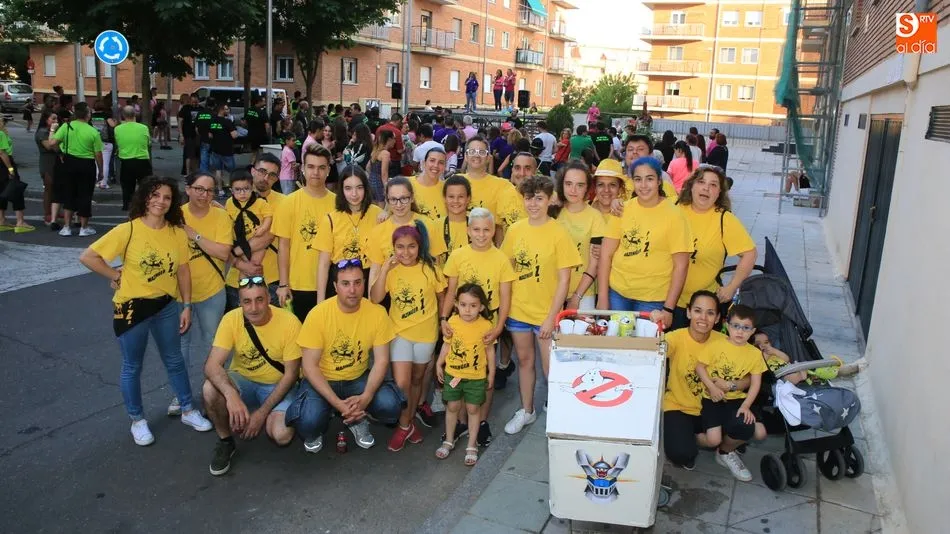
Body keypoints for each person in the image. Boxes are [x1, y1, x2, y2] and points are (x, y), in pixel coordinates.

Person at [79, 177, 212, 446]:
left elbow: (183, 271)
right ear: (145, 198)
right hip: (132, 308)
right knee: (132, 366)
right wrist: (114, 276)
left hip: (165, 306)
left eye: (166, 197)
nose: (160, 201)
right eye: (155, 195)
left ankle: (188, 409)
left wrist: (186, 305)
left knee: (174, 360)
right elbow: (89, 257)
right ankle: (137, 420)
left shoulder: (176, 233)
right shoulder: (127, 230)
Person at [285, 259, 405, 453]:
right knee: (308, 423)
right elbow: (309, 367)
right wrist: (338, 404)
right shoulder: (318, 314)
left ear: (364, 284)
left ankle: (357, 418)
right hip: (323, 379)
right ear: (335, 286)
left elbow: (382, 361)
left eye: (358, 282)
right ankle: (332, 416)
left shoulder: (377, 312)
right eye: (345, 283)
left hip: (357, 377)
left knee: (390, 406)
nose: (352, 290)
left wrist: (366, 397)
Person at [502, 176, 581, 434]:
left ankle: (560, 416)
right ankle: (527, 410)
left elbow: (564, 280)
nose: (533, 204)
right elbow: (507, 269)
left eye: (539, 198)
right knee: (524, 361)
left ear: (549, 200)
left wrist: (551, 317)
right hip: (518, 310)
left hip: (545, 313)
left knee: (551, 369)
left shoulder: (559, 232)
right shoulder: (515, 230)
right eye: (529, 198)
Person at [202, 277, 302, 475]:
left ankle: (254, 412)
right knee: (209, 389)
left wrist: (261, 414)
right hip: (244, 380)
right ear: (240, 303)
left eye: (259, 299)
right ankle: (226, 441)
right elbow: (212, 365)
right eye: (247, 301)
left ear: (269, 298)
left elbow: (290, 376)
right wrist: (231, 396)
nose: (254, 307)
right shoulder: (231, 319)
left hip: (278, 384)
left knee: (282, 435)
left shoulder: (290, 322)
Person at [442, 205, 515, 444]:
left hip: (488, 324)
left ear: (494, 230)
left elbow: (505, 297)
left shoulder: (501, 259)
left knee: (484, 373)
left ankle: (481, 420)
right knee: (461, 369)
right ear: (468, 230)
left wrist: (498, 327)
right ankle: (463, 421)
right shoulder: (458, 256)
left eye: (486, 229)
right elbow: (451, 290)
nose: (481, 234)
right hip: (460, 323)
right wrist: (444, 320)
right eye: (476, 229)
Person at [370, 222, 446, 451]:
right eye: (400, 247)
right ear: (393, 248)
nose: (406, 252)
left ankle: (407, 422)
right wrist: (383, 270)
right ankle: (405, 426)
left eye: (411, 246)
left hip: (426, 334)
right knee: (402, 383)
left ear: (419, 246)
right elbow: (375, 298)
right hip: (400, 333)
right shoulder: (392, 270)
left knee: (416, 380)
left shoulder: (430, 269)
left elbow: (442, 297)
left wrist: (443, 321)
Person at [664, 290, 759, 470]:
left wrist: (731, 385)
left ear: (717, 318)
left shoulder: (727, 341)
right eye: (698, 311)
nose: (703, 318)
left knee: (747, 427)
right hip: (679, 406)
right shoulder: (675, 337)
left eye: (710, 313)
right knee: (681, 454)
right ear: (688, 312)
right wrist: (655, 325)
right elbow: (652, 348)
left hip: (715, 407)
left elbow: (749, 378)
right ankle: (690, 439)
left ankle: (724, 450)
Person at [597, 157, 691, 329]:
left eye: (649, 179)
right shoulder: (622, 209)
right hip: (618, 293)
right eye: (638, 179)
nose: (644, 185)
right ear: (632, 182)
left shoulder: (675, 215)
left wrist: (668, 308)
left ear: (659, 181)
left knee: (644, 351)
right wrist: (603, 296)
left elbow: (681, 266)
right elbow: (606, 254)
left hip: (653, 298)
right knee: (618, 347)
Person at [174, 172, 233, 414]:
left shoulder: (220, 216)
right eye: (199, 189)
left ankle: (214, 392)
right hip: (177, 294)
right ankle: (181, 395)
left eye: (209, 191)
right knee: (179, 348)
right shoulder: (175, 215)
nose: (204, 195)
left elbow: (222, 252)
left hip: (211, 291)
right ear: (187, 189)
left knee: (214, 345)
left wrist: (194, 235)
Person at [672, 165, 756, 328]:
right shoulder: (674, 208)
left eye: (713, 185)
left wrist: (731, 287)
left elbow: (750, 254)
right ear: (691, 186)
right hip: (667, 300)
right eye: (701, 182)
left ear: (719, 192)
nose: (706, 188)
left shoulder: (724, 219)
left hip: (704, 307)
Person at [695, 304, 767, 481]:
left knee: (759, 432)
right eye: (736, 326)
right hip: (712, 398)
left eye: (746, 328)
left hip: (736, 399)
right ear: (727, 325)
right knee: (713, 438)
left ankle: (725, 451)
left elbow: (756, 384)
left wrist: (746, 405)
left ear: (753, 331)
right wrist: (712, 388)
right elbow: (700, 367)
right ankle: (694, 437)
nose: (740, 332)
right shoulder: (716, 345)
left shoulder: (754, 354)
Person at [274, 144, 338, 322]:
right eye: (310, 167)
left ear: (328, 170)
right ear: (302, 168)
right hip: (298, 283)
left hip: (331, 284)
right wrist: (283, 283)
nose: (315, 172)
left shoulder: (339, 204)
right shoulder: (289, 203)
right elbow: (283, 246)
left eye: (321, 167)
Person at [435, 283, 495, 465]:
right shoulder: (452, 322)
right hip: (453, 374)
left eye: (473, 305)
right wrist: (439, 363)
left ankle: (472, 444)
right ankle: (449, 439)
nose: (467, 310)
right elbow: (446, 345)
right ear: (456, 304)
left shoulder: (486, 325)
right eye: (463, 305)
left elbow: (490, 351)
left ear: (482, 307)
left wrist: (491, 373)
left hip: (476, 377)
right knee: (452, 407)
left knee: (473, 409)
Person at [224, 155, 285, 310]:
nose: (265, 178)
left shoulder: (283, 202)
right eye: (262, 171)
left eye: (272, 175)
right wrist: (240, 264)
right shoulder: (231, 202)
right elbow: (224, 239)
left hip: (270, 278)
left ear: (277, 179)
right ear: (252, 170)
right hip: (235, 278)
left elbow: (268, 236)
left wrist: (237, 251)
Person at [315, 165, 382, 303]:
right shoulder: (330, 219)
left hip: (369, 278)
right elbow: (323, 264)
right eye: (348, 188)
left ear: (366, 188)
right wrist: (320, 302)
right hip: (340, 280)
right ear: (341, 190)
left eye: (359, 187)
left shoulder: (378, 215)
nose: (354, 194)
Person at [365, 177, 447, 287]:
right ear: (387, 200)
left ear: (412, 198)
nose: (399, 205)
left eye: (404, 198)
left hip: (424, 293)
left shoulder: (428, 225)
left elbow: (435, 264)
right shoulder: (378, 231)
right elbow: (375, 270)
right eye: (393, 199)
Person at [555, 161, 605, 311]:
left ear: (587, 188)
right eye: (568, 183)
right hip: (551, 289)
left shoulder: (595, 217)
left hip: (583, 292)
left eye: (580, 185)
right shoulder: (553, 211)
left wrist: (577, 296)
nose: (573, 190)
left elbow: (594, 263)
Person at [49, 102, 103, 237]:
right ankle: (83, 228)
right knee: (85, 195)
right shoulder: (93, 131)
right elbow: (98, 154)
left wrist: (60, 153)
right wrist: (101, 170)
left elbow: (52, 143)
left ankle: (66, 227)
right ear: (87, 115)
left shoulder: (66, 127)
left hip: (69, 162)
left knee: (69, 194)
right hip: (86, 164)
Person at [460, 136, 520, 240]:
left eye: (482, 152)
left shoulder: (502, 186)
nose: (477, 155)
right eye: (472, 151)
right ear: (466, 156)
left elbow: (500, 226)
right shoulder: (454, 182)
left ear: (488, 158)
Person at [113, 106, 152, 212]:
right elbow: (148, 143)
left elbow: (117, 143)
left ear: (123, 116)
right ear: (135, 114)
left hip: (126, 161)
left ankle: (127, 205)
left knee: (127, 186)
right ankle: (145, 205)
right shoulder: (143, 128)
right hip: (142, 160)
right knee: (145, 186)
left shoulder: (117, 129)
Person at [0, 117, 31, 233]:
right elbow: (2, 153)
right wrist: (11, 169)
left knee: (1, 191)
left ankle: (1, 220)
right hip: (5, 164)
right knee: (16, 190)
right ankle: (20, 222)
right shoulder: (1, 134)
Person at [410, 146, 447, 220]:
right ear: (424, 163)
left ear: (444, 167)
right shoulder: (408, 184)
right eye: (432, 160)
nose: (436, 165)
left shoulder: (447, 188)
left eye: (441, 162)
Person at [35, 110, 59, 225]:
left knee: (56, 188)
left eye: (56, 119)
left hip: (56, 161)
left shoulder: (55, 131)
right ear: (46, 120)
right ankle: (47, 213)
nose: (56, 121)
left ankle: (56, 210)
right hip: (47, 161)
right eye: (53, 119)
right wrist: (53, 131)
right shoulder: (42, 132)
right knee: (48, 188)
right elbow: (50, 146)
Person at [209, 103, 239, 195]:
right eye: (225, 109)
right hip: (227, 150)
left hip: (215, 149)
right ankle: (233, 189)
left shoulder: (212, 122)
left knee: (218, 170)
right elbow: (234, 135)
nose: (227, 111)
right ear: (221, 110)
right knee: (232, 171)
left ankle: (220, 190)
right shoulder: (227, 122)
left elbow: (210, 135)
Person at [90, 101, 117, 189]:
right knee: (105, 163)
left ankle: (98, 182)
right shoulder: (106, 115)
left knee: (97, 163)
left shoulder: (91, 116)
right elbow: (112, 125)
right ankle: (103, 183)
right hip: (106, 141)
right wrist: (116, 122)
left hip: (94, 141)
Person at [368, 129, 395, 206]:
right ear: (389, 139)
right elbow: (384, 173)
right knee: (381, 209)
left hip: (371, 181)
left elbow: (368, 167)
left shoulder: (375, 150)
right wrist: (386, 188)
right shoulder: (385, 153)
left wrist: (373, 176)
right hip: (379, 183)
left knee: (373, 207)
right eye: (394, 139)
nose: (395, 141)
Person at [376, 112, 405, 179]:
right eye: (401, 123)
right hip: (393, 162)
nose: (401, 125)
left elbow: (375, 143)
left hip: (378, 159)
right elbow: (400, 150)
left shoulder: (379, 128)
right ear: (398, 121)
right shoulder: (397, 132)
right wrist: (405, 148)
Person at [178, 94, 199, 175]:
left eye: (196, 102)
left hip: (198, 136)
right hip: (188, 135)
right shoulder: (185, 108)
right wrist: (181, 135)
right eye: (192, 101)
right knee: (189, 155)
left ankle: (195, 173)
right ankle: (187, 173)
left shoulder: (201, 109)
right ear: (190, 100)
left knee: (197, 155)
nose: (194, 103)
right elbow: (180, 122)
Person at [244, 94, 269, 164]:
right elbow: (267, 126)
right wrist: (267, 135)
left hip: (251, 135)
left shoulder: (248, 111)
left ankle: (251, 165)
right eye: (263, 101)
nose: (264, 103)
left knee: (254, 152)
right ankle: (260, 166)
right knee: (261, 153)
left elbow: (244, 123)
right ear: (259, 102)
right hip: (261, 136)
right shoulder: (262, 112)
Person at [194, 98, 215, 174]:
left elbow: (196, 128)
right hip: (212, 139)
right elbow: (214, 126)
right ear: (214, 105)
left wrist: (201, 134)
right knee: (213, 157)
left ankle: (203, 174)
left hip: (202, 138)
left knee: (204, 157)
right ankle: (213, 174)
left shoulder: (200, 113)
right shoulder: (214, 114)